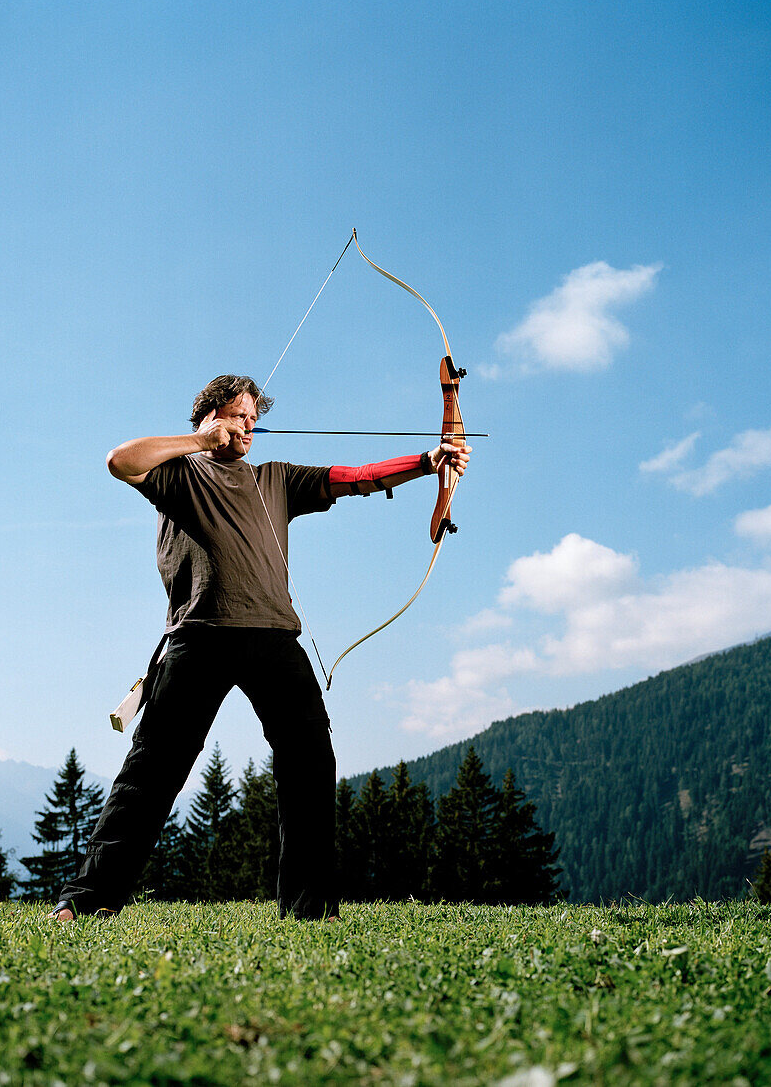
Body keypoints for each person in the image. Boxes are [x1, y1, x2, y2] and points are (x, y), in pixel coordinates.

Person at [50, 374, 470, 922]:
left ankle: (309, 908)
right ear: (210, 415)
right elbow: (119, 460)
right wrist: (203, 441)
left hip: (274, 636)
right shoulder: (176, 473)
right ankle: (87, 902)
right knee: (153, 771)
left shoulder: (276, 479)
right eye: (237, 415)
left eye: (253, 417)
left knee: (311, 762)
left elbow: (357, 477)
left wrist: (428, 460)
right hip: (198, 636)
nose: (248, 426)